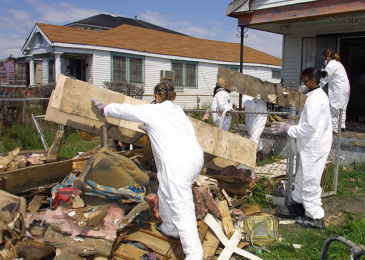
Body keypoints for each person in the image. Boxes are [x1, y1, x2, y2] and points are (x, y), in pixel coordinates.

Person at [90, 82, 204, 260]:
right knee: (165, 191)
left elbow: (128, 110)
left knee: (182, 208)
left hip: (178, 164)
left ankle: (195, 255)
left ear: (157, 96)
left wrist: (106, 109)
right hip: (194, 159)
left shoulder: (154, 111)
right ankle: (170, 228)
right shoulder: (177, 111)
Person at [272, 67, 332, 230]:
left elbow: (308, 128)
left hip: (314, 147)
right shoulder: (317, 96)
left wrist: (288, 129)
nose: (303, 84)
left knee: (310, 182)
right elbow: (310, 125)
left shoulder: (315, 99)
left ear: (313, 80)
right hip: (312, 145)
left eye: (304, 81)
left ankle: (315, 217)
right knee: (301, 177)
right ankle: (297, 205)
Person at [320, 49, 350, 133]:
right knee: (343, 107)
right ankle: (342, 126)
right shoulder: (338, 64)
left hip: (338, 89)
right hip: (345, 87)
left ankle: (334, 129)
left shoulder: (330, 65)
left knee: (334, 107)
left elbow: (324, 78)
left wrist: (316, 88)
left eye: (323, 57)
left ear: (327, 56)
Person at [242, 94, 268, 161]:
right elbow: (249, 106)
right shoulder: (245, 96)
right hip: (250, 117)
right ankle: (259, 152)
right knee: (253, 135)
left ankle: (251, 158)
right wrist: (255, 100)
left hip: (261, 116)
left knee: (254, 136)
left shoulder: (261, 94)